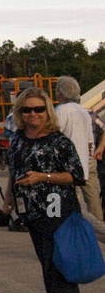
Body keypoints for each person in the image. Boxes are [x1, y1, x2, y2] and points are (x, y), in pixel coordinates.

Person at [2, 88, 89, 293]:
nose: (32, 115)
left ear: (47, 111)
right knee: (56, 276)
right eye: (27, 110)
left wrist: (43, 177)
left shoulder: (59, 142)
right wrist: (8, 202)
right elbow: (14, 173)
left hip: (58, 215)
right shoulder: (17, 139)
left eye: (39, 109)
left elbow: (76, 176)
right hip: (33, 218)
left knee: (58, 276)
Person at [55, 76, 102, 222]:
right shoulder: (84, 112)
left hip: (68, 162)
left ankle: (75, 226)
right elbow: (90, 140)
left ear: (61, 93)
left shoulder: (60, 111)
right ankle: (99, 224)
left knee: (71, 199)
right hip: (87, 159)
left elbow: (55, 136)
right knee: (92, 197)